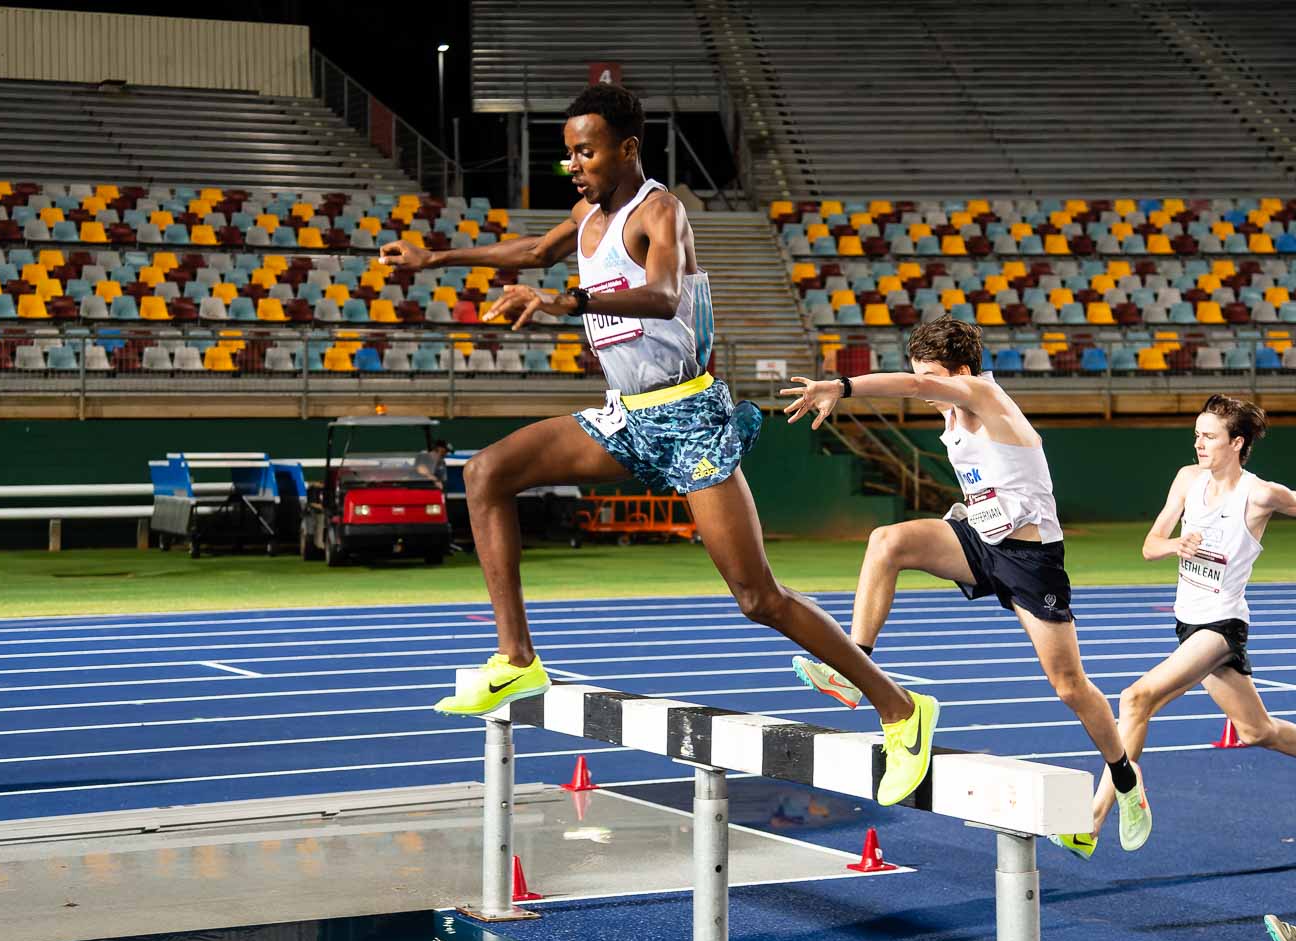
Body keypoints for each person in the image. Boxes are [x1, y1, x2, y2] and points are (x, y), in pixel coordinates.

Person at [380, 83, 938, 806]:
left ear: (627, 148)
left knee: (758, 597)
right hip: (628, 416)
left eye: (586, 152)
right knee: (487, 473)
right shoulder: (586, 215)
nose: (573, 166)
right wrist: (433, 258)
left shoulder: (659, 210)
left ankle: (901, 708)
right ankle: (517, 659)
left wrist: (567, 300)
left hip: (689, 417)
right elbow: (533, 250)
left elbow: (665, 294)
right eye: (568, 154)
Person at [780, 315, 1151, 850]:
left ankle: (1125, 779)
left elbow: (911, 387)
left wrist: (841, 386)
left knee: (1069, 686)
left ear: (960, 372)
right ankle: (854, 669)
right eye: (920, 372)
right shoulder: (951, 409)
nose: (924, 386)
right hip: (980, 541)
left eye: (932, 375)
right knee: (887, 542)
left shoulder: (983, 395)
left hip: (1030, 561)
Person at [1083, 395, 1296, 851]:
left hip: (1222, 625)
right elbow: (1150, 545)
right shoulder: (1187, 479)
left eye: (1209, 437)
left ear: (1236, 443)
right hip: (1188, 623)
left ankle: (1094, 820)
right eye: (1197, 435)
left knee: (1135, 699)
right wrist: (1175, 545)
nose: (1198, 444)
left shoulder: (1260, 494)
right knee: (1256, 730)